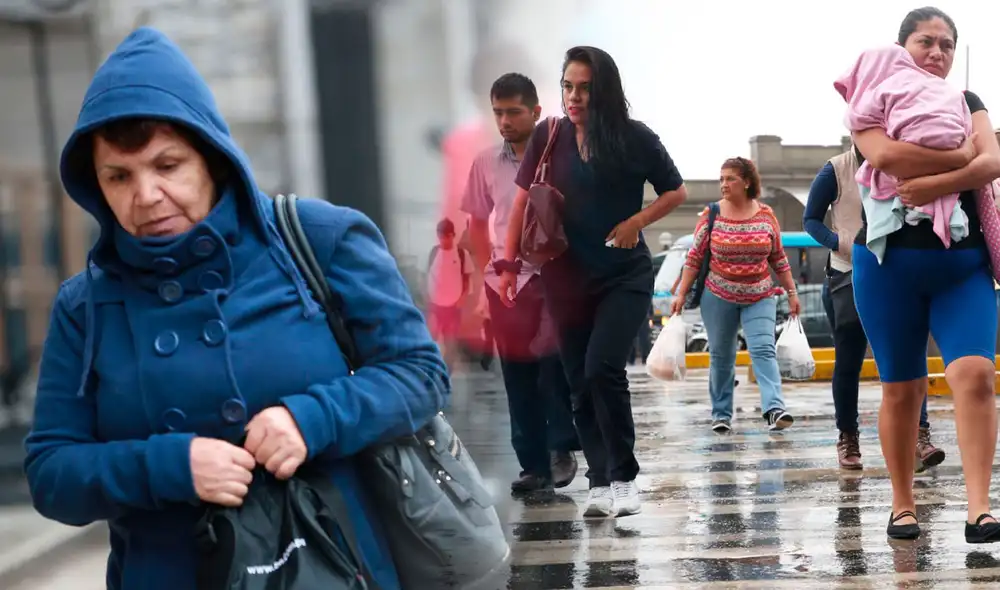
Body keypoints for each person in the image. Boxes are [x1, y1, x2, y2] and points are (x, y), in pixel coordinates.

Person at [23, 27, 448, 589]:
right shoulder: (86, 306)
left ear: (212, 159)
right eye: (119, 177)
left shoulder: (318, 239)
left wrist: (311, 417)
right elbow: (52, 473)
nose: (145, 195)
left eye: (168, 165)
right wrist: (169, 467)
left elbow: (420, 374)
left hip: (331, 562)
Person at [499, 46, 688, 518]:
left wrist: (635, 222)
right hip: (563, 278)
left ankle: (625, 477)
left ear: (604, 89)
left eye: (584, 87)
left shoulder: (634, 138)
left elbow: (676, 191)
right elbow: (521, 205)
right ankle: (599, 479)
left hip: (623, 275)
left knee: (604, 367)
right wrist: (507, 267)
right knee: (578, 381)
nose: (574, 96)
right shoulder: (549, 136)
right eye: (567, 86)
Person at [844, 7, 1000, 542]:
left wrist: (938, 180)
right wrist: (961, 157)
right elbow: (885, 154)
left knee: (976, 375)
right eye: (925, 42)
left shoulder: (966, 102)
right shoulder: (875, 93)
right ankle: (902, 503)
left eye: (947, 44)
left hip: (963, 267)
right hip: (887, 268)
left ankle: (979, 508)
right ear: (900, 47)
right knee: (902, 390)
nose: (937, 53)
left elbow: (991, 162)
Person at [461, 72, 580, 493]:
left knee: (553, 363)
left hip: (552, 276)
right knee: (518, 375)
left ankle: (561, 447)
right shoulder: (484, 163)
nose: (505, 121)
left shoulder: (561, 158)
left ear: (535, 112)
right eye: (498, 113)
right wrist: (478, 290)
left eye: (513, 112)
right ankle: (532, 464)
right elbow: (475, 227)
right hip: (503, 282)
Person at [803, 147, 946, 472]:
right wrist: (840, 242)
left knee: (910, 353)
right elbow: (810, 219)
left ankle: (920, 435)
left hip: (898, 269)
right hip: (848, 271)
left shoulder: (904, 158)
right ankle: (848, 436)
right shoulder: (836, 169)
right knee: (849, 357)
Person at [670, 157, 797, 434]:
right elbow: (694, 258)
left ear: (747, 182)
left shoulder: (766, 215)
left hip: (760, 294)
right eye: (721, 179)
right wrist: (681, 294)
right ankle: (721, 414)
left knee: (763, 349)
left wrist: (792, 292)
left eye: (731, 179)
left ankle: (774, 409)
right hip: (718, 295)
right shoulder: (711, 214)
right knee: (721, 355)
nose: (724, 184)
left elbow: (778, 258)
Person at [427, 218, 474, 365]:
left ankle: (446, 374)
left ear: (452, 235)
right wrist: (427, 298)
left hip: (453, 308)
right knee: (430, 342)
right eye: (441, 236)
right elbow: (428, 275)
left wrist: (462, 299)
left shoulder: (461, 254)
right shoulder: (434, 252)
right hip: (435, 306)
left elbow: (467, 279)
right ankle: (430, 371)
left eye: (447, 236)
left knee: (450, 345)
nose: (444, 240)